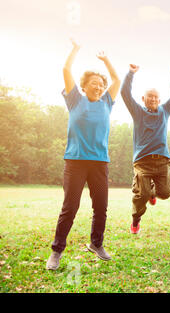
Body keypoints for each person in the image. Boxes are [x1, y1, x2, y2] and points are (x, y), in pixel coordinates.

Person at [46, 39, 120, 270]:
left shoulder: (107, 101)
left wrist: (106, 59)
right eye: (94, 83)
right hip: (75, 162)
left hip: (99, 163)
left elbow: (117, 80)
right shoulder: (75, 99)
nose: (99, 87)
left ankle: (96, 244)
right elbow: (66, 70)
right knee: (70, 206)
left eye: (101, 84)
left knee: (101, 206)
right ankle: (56, 251)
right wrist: (75, 49)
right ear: (84, 86)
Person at [121, 63, 170, 234]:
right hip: (142, 161)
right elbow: (125, 93)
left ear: (159, 100)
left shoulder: (164, 111)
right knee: (142, 194)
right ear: (143, 99)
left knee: (166, 193)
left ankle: (153, 193)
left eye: (156, 97)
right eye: (150, 97)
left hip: (162, 160)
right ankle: (136, 220)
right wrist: (130, 74)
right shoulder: (138, 111)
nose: (153, 99)